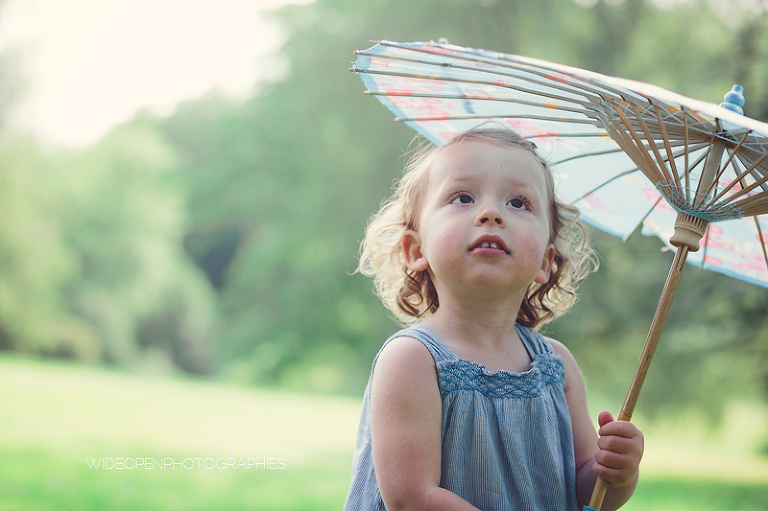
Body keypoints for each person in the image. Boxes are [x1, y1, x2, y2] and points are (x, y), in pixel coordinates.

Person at [344, 127, 644, 511]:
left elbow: (588, 494)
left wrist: (617, 473)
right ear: (415, 250)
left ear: (546, 261)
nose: (491, 213)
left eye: (518, 202)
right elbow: (412, 498)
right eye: (463, 198)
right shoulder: (412, 360)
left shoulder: (557, 367)